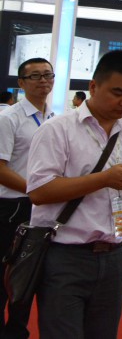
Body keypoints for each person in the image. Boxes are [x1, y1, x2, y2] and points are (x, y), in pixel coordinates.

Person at [26, 50, 122, 339]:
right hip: (65, 254)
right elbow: (38, 191)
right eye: (118, 92)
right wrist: (103, 179)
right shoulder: (58, 130)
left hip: (115, 253)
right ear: (93, 86)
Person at [0, 58, 54, 338]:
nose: (43, 80)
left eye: (47, 75)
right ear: (21, 83)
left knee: (30, 275)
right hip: (11, 207)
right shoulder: (9, 118)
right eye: (35, 76)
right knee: (5, 276)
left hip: (42, 208)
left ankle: (17, 331)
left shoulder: (54, 118)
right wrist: (35, 191)